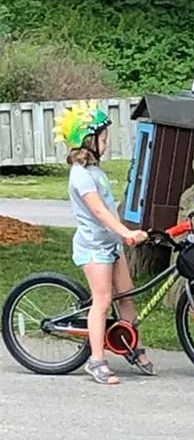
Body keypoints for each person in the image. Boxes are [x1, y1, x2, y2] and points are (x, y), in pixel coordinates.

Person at [53, 102, 149, 385]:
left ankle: (134, 347)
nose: (106, 143)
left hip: (110, 245)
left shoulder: (95, 171)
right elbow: (99, 211)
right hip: (94, 247)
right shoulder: (80, 176)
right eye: (103, 138)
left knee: (126, 295)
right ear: (88, 141)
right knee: (103, 300)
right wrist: (125, 232)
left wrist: (122, 235)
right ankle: (96, 360)